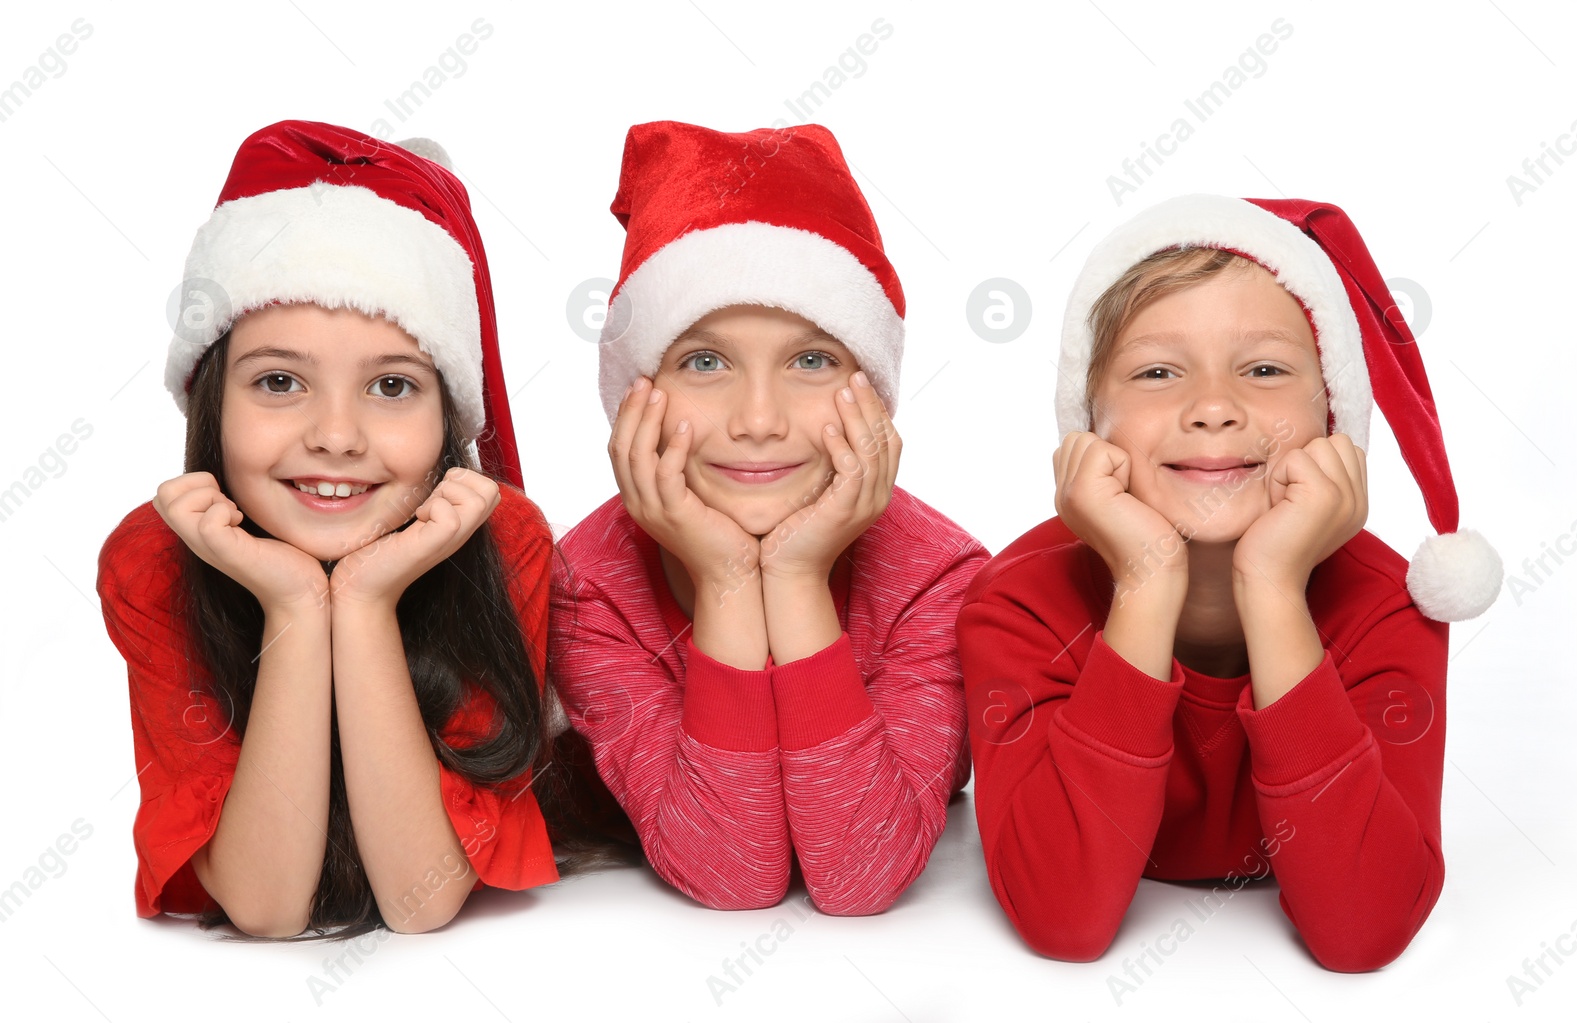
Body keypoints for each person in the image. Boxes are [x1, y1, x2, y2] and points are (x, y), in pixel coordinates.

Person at [957, 195, 1501, 971]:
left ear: (1335, 420)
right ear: (1087, 425)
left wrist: (1274, 587)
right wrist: (1145, 584)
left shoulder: (1391, 602)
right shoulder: (1017, 606)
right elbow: (1062, 917)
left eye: (1266, 369)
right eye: (1156, 371)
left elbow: (1363, 930)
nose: (1213, 407)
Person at [96, 120, 574, 937]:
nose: (337, 436)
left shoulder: (503, 540)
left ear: (448, 420)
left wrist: (361, 601)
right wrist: (293, 606)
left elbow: (420, 900)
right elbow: (266, 906)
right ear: (212, 402)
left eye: (391, 387)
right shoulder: (155, 561)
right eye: (280, 380)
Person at [551, 120, 989, 915]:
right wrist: (725, 579)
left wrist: (793, 573)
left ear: (876, 394)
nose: (759, 419)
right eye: (704, 360)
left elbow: (860, 877)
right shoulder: (589, 583)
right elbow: (733, 873)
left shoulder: (940, 575)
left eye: (812, 360)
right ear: (633, 396)